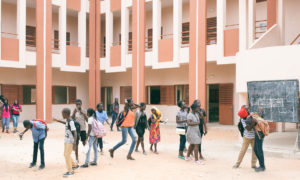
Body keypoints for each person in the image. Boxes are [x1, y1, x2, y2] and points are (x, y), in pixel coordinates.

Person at [54, 108, 78, 177]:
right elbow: (66, 124)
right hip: (66, 140)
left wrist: (74, 144)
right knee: (66, 154)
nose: (62, 115)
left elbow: (75, 132)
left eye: (62, 114)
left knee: (67, 155)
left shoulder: (71, 121)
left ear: (65, 114)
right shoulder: (68, 120)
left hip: (70, 141)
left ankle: (70, 171)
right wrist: (58, 121)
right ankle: (74, 165)